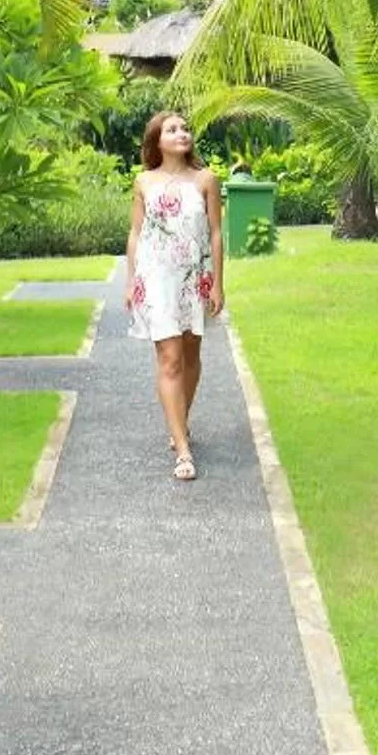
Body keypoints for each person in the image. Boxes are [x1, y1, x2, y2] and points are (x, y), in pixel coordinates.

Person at [124, 110, 223, 481]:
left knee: (191, 357)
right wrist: (130, 281)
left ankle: (180, 421)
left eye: (185, 128)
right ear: (157, 140)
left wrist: (218, 282)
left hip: (194, 278)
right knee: (170, 361)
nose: (182, 133)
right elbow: (136, 233)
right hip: (156, 279)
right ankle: (182, 449)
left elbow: (215, 233)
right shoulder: (144, 181)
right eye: (172, 129)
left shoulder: (205, 179)